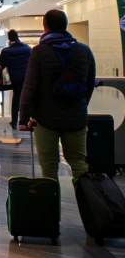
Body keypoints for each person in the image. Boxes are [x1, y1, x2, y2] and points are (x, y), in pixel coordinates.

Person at [19, 10, 96, 179]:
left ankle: (51, 205)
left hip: (45, 118)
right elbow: (90, 84)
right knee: (79, 164)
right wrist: (81, 105)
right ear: (66, 25)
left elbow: (30, 86)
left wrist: (23, 118)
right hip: (76, 117)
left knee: (49, 166)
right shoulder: (84, 51)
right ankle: (88, 203)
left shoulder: (39, 52)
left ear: (45, 26)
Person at [0, 29, 31, 128]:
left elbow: (0, 66)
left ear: (8, 38)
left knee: (16, 98)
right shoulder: (27, 48)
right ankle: (25, 120)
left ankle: (14, 122)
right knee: (26, 98)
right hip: (27, 78)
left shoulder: (7, 51)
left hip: (15, 78)